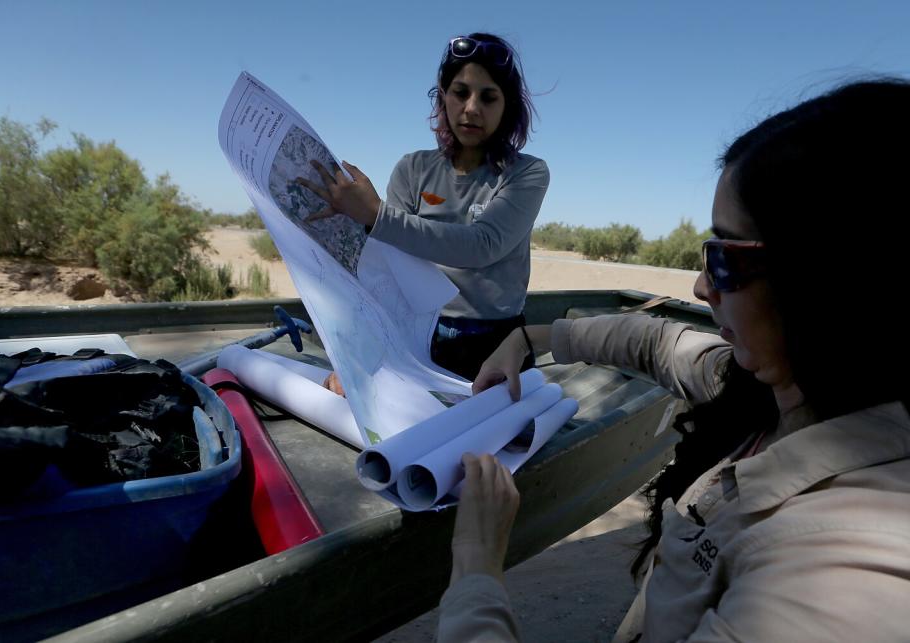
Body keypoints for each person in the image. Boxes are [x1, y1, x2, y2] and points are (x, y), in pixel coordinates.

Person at [437, 79, 910, 641]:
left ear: (832, 279)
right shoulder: (773, 389)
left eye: (726, 258)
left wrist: (475, 565)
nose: (700, 284)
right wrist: (530, 338)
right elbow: (655, 342)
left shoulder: (842, 571)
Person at [296, 33, 549, 382]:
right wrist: (359, 355)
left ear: (508, 108)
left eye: (489, 97)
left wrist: (376, 215)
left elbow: (482, 245)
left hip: (498, 345)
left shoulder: (527, 173)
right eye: (460, 93)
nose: (472, 108)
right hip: (419, 339)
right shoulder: (412, 169)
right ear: (443, 96)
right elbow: (389, 271)